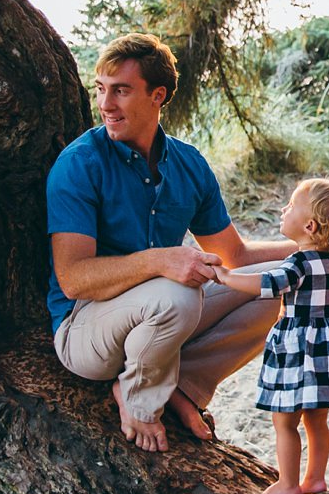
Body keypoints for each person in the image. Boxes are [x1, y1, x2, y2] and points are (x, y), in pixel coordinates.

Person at [47, 33, 296, 452]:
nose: (106, 104)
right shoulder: (79, 164)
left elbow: (234, 256)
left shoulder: (189, 164)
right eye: (101, 90)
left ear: (157, 95)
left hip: (158, 314)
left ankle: (184, 386)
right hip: (84, 329)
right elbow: (73, 279)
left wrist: (313, 254)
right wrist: (162, 260)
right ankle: (138, 402)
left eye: (121, 91)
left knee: (279, 285)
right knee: (175, 294)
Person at [212, 179, 329, 494]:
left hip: (299, 350)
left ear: (309, 226)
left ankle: (288, 483)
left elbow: (267, 284)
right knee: (316, 421)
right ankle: (315, 479)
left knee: (284, 421)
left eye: (291, 205)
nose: (284, 209)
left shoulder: (298, 263)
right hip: (328, 351)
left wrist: (225, 277)